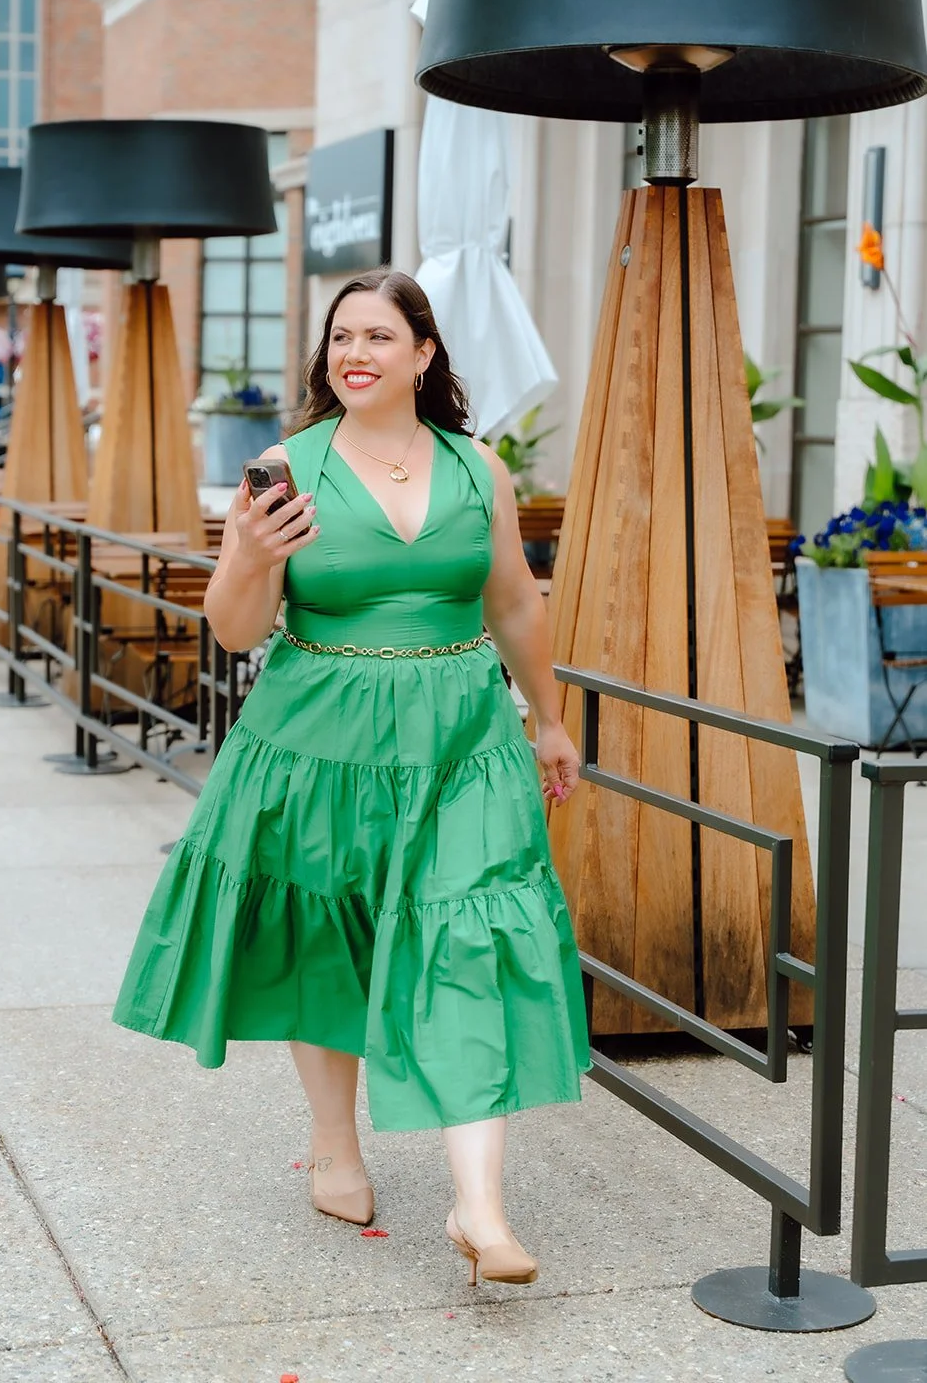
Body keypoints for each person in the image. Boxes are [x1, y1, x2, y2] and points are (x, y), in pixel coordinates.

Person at [113, 268, 591, 1287]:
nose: (354, 353)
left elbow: (511, 600)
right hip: (316, 737)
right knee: (325, 934)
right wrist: (243, 556)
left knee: (470, 939)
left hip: (463, 734)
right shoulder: (285, 466)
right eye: (339, 337)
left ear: (423, 354)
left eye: (378, 334)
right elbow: (238, 629)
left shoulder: (478, 467)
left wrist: (547, 717)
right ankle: (334, 1140)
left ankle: (479, 1206)